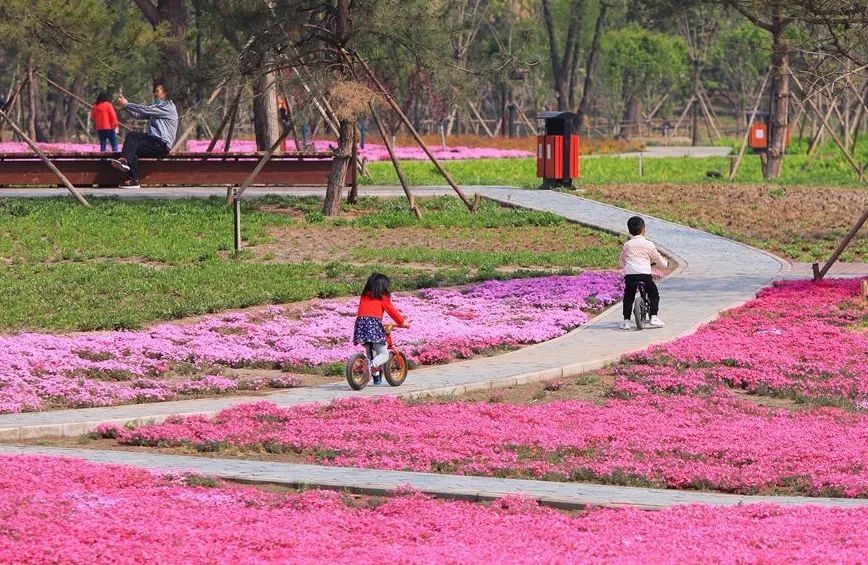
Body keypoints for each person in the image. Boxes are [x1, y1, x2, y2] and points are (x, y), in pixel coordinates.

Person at [109, 84, 178, 189]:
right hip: (153, 141)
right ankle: (133, 179)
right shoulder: (157, 108)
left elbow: (145, 110)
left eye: (157, 91)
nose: (155, 93)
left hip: (161, 144)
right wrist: (125, 107)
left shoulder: (167, 107)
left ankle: (128, 168)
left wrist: (127, 104)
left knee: (133, 146)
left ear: (165, 94)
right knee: (132, 141)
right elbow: (140, 115)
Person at [353, 273, 410, 385]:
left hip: (360, 327)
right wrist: (403, 322)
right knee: (384, 354)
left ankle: (376, 379)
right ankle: (369, 366)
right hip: (373, 326)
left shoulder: (364, 296)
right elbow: (392, 312)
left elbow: (366, 312)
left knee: (371, 353)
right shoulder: (382, 298)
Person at [619, 216, 668, 330]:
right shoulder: (649, 244)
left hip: (630, 275)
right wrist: (665, 265)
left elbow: (622, 259)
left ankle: (626, 321)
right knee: (654, 293)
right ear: (643, 229)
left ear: (629, 230)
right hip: (644, 275)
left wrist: (625, 267)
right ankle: (654, 317)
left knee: (629, 296)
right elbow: (657, 258)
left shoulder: (627, 245)